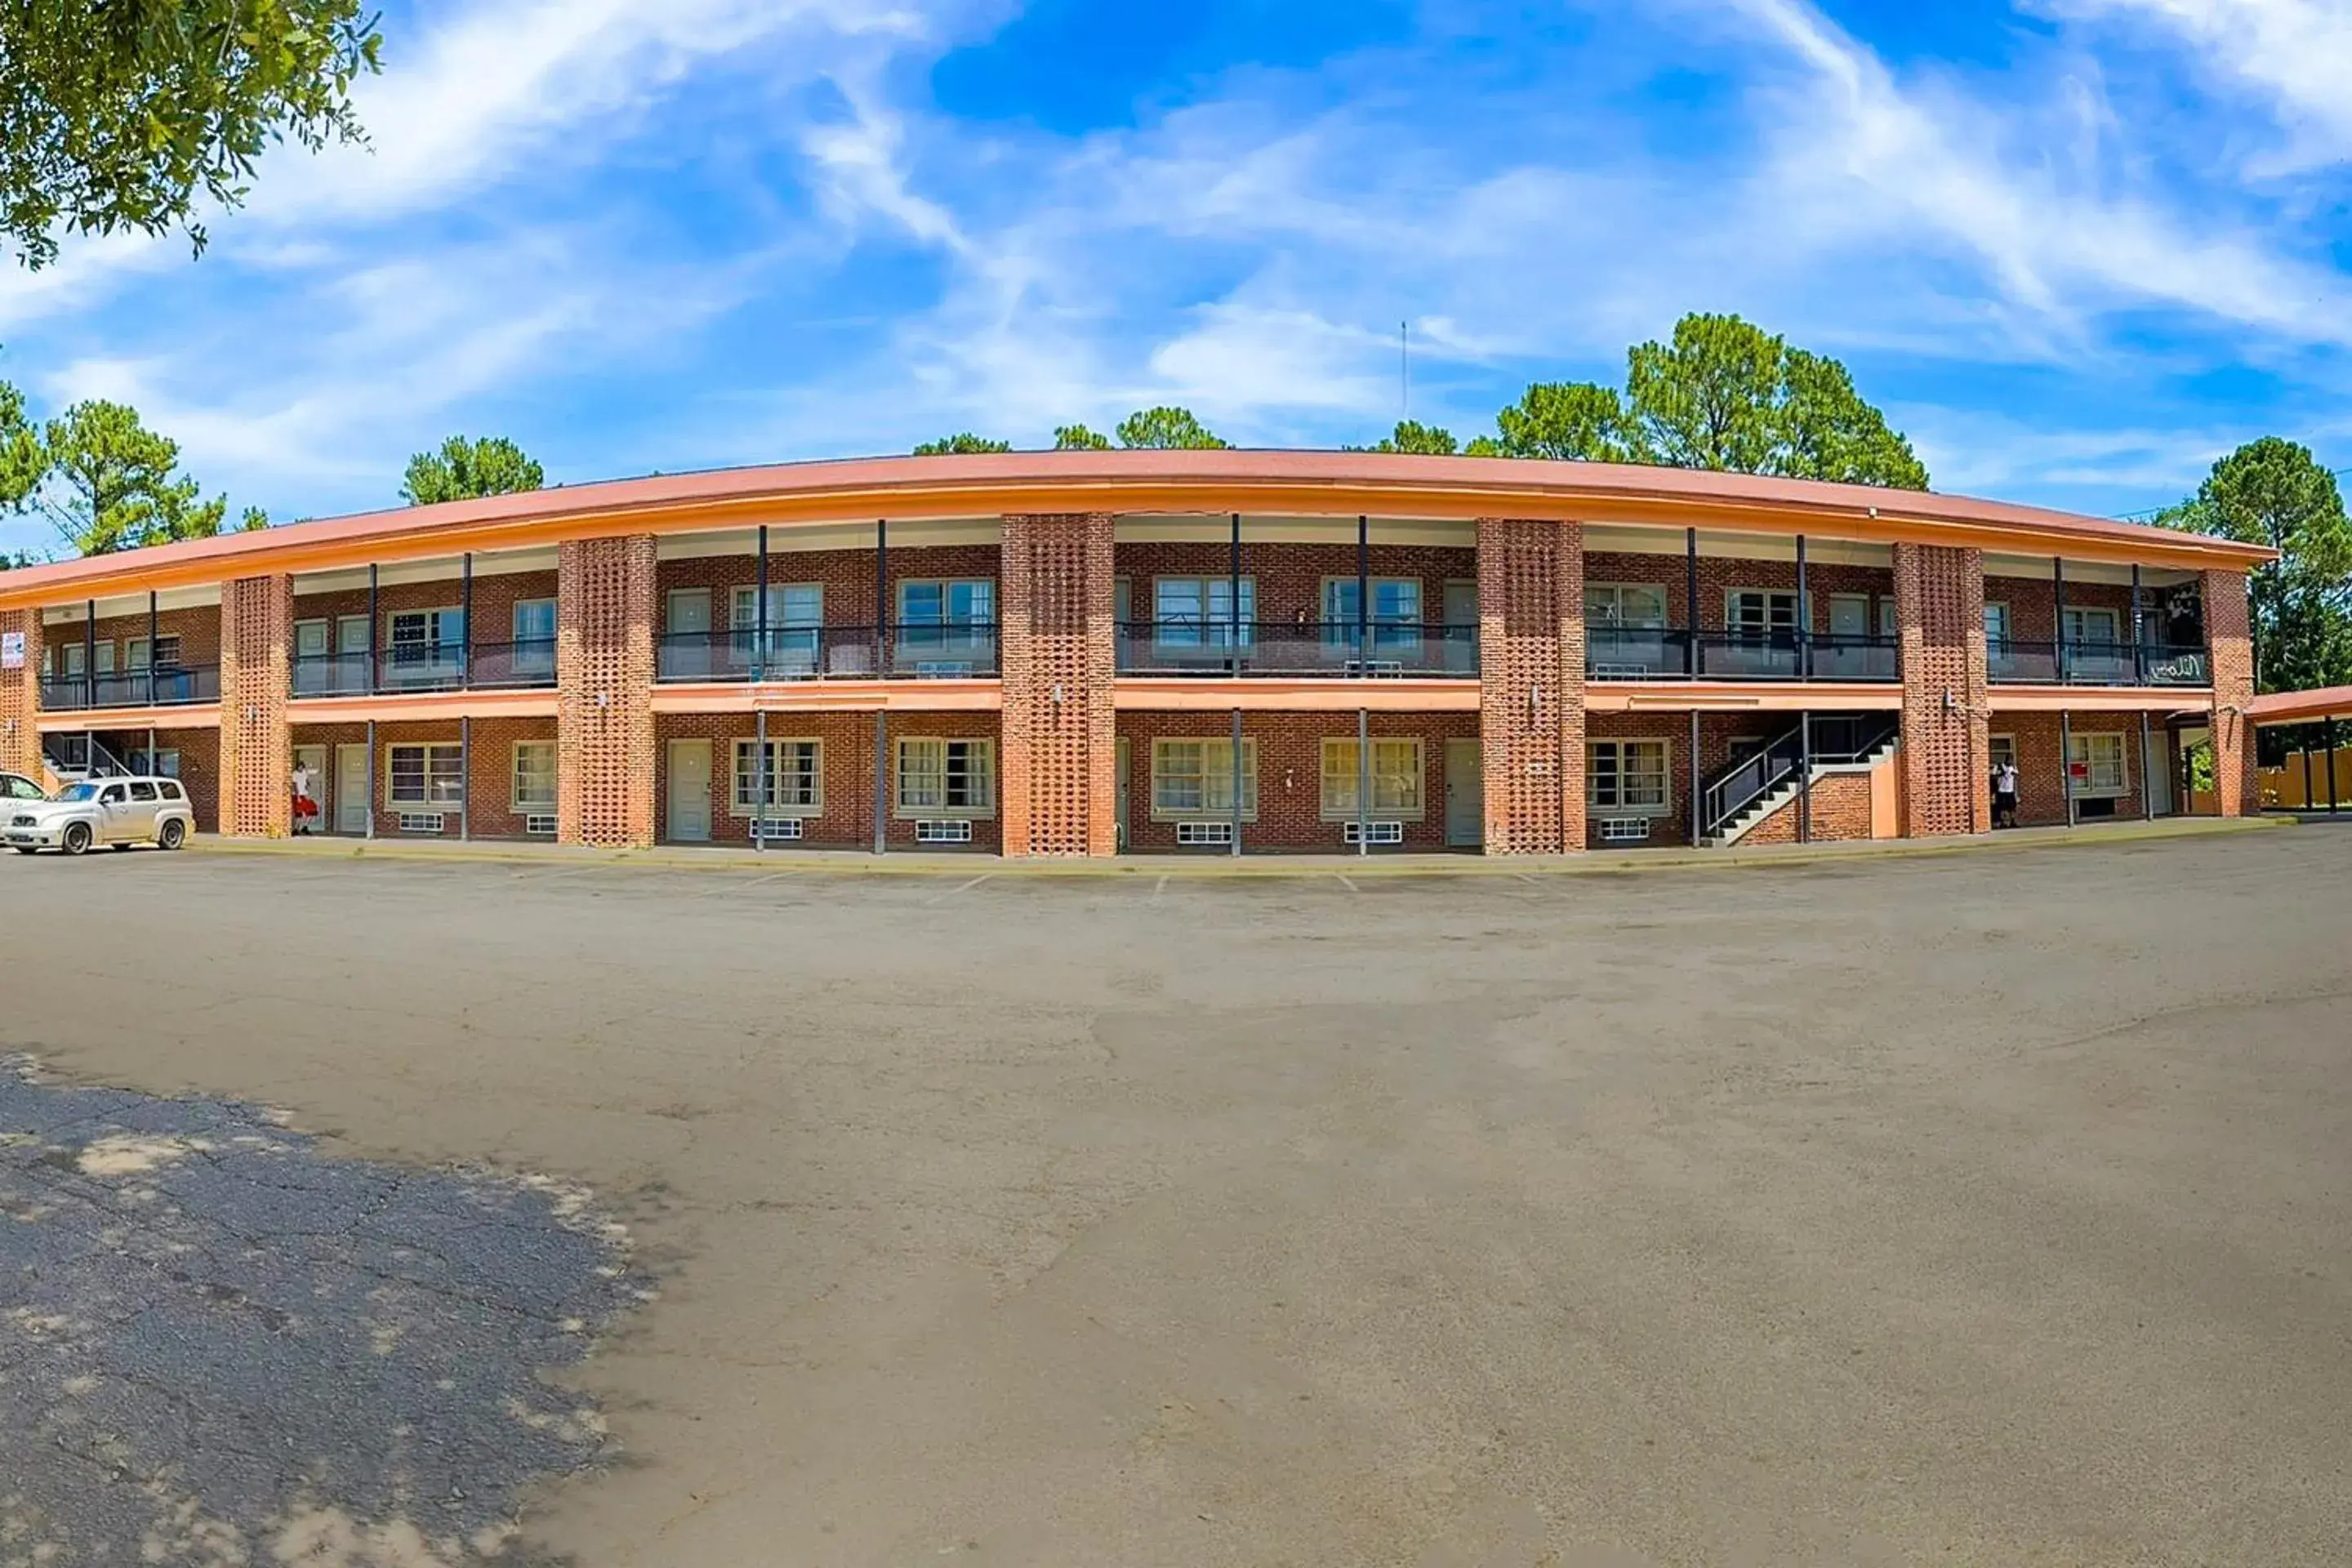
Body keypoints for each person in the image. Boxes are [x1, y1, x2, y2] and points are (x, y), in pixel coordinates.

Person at [291, 760, 318, 835]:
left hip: (304, 794)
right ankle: (296, 829)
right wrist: (298, 796)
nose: (301, 768)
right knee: (299, 813)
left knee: (312, 810)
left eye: (302, 766)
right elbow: (295, 785)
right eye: (300, 766)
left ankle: (305, 827)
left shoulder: (304, 772)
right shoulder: (295, 774)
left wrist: (308, 785)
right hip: (297, 795)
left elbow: (306, 781)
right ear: (297, 767)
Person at [1993, 757, 2020, 829]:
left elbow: (2017, 775)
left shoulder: (2013, 767)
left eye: (2012, 761)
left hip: (2010, 790)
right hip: (2001, 790)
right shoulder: (1999, 766)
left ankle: (2012, 822)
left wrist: (2014, 773)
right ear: (2006, 760)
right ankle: (2003, 823)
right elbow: (1993, 776)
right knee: (2002, 808)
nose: (2010, 762)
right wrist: (2000, 774)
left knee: (2012, 808)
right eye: (2009, 760)